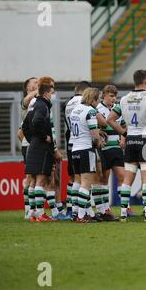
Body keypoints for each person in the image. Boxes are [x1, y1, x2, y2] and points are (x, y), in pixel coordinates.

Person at [107, 69, 146, 223]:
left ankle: (123, 214)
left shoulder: (124, 99)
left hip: (131, 140)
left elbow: (110, 119)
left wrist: (124, 133)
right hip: (145, 140)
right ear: (145, 81)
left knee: (127, 180)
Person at [23, 80, 61, 222]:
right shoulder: (42, 106)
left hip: (33, 145)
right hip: (41, 148)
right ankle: (40, 214)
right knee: (41, 180)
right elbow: (37, 122)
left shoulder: (33, 105)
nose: (53, 95)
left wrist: (32, 138)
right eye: (52, 92)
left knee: (33, 181)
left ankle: (33, 213)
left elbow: (25, 126)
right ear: (46, 93)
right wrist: (44, 137)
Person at [70, 88, 102, 223]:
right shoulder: (90, 111)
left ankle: (75, 211)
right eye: (98, 99)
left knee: (77, 181)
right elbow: (94, 135)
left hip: (75, 150)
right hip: (86, 149)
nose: (99, 101)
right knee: (86, 183)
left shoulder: (75, 110)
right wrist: (99, 141)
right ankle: (81, 216)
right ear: (93, 99)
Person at [95, 85, 124, 221]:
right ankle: (104, 208)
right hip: (104, 149)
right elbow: (93, 128)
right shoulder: (97, 109)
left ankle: (125, 208)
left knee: (122, 177)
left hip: (116, 149)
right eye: (111, 96)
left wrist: (123, 138)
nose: (113, 99)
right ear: (104, 95)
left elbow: (123, 126)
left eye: (115, 96)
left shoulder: (118, 109)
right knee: (103, 179)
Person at [64, 81, 91, 219]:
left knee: (75, 177)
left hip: (72, 142)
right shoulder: (84, 104)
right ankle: (85, 211)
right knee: (86, 179)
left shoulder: (68, 104)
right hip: (84, 143)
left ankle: (73, 208)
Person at [19, 77, 38, 220]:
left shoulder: (37, 102)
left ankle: (33, 209)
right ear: (28, 87)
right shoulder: (26, 101)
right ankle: (29, 210)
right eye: (35, 82)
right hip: (29, 145)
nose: (38, 83)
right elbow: (20, 133)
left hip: (36, 144)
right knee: (31, 177)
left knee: (35, 177)